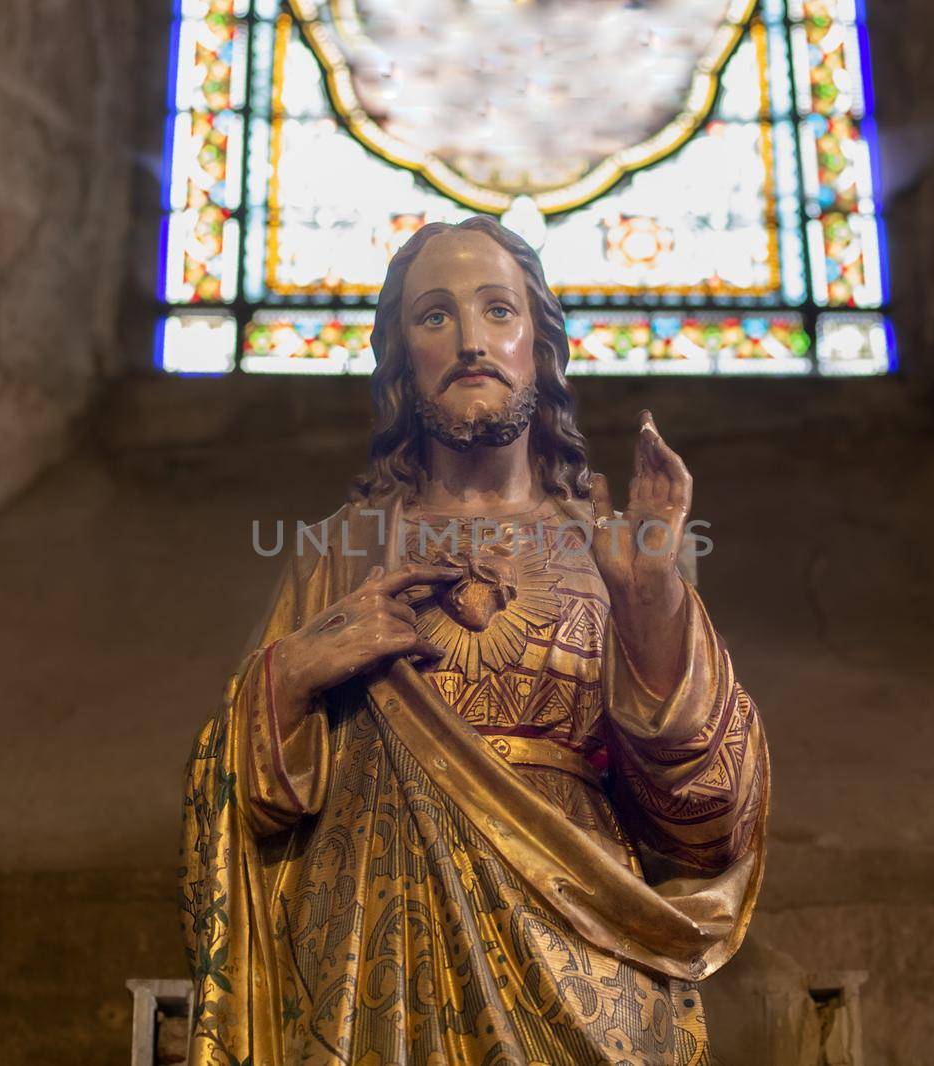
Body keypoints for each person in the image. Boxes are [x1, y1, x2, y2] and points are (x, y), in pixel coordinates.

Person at [180, 216, 769, 1064]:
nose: (469, 340)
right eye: (433, 317)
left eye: (499, 310)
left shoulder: (616, 546)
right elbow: (242, 797)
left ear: (540, 344)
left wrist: (652, 603)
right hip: (373, 963)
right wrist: (297, 671)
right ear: (399, 359)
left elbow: (703, 823)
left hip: (584, 957)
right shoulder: (342, 550)